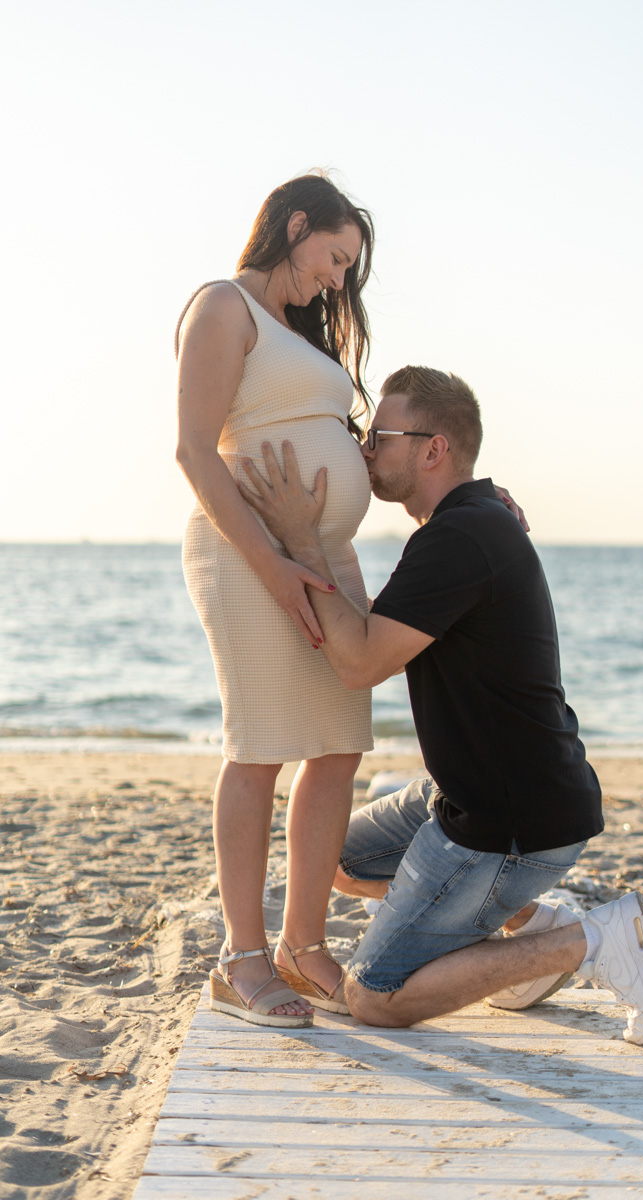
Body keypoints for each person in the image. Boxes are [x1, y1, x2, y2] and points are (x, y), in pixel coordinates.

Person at [239, 365, 643, 1044]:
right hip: (481, 794)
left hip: (510, 823)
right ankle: (531, 927)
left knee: (375, 997)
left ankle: (588, 941)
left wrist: (302, 537)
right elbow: (373, 635)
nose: (364, 451)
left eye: (379, 438)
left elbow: (359, 663)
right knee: (335, 860)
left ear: (434, 449)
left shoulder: (459, 539)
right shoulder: (468, 523)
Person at [175, 173, 377, 1026]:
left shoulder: (300, 333)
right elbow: (194, 450)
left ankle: (303, 946)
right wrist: (273, 564)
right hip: (248, 555)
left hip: (324, 554)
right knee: (259, 747)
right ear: (296, 225)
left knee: (338, 746)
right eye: (335, 256)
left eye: (348, 268)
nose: (337, 278)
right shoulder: (223, 306)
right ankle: (242, 958)